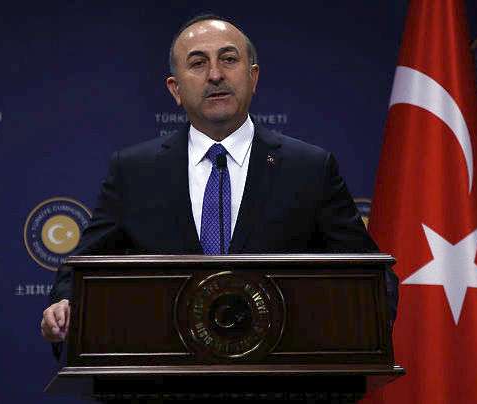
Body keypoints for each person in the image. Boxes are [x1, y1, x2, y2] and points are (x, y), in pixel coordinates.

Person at [41, 14, 398, 345]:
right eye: (198, 63)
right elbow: (80, 271)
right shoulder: (134, 171)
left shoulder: (309, 168)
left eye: (228, 59)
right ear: (175, 89)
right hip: (166, 374)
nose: (215, 75)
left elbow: (371, 277)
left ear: (253, 77)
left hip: (280, 372)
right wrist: (64, 305)